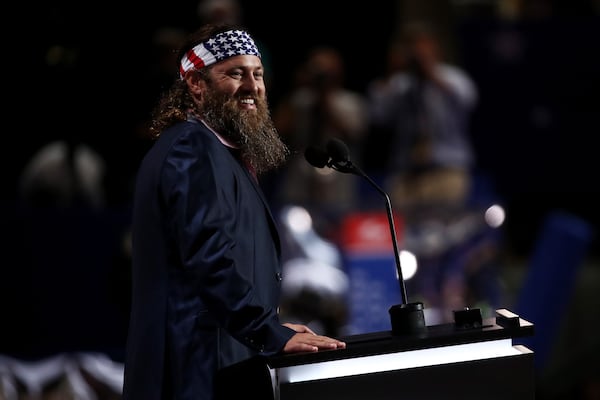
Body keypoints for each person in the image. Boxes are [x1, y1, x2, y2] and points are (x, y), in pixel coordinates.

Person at [121, 23, 346, 400]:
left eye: (257, 74)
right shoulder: (191, 150)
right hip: (190, 370)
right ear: (196, 84)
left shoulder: (219, 151)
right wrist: (266, 331)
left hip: (217, 360)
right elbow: (209, 260)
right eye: (235, 73)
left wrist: (267, 327)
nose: (252, 86)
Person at [367, 21, 478, 215]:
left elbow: (467, 103)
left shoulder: (454, 78)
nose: (417, 51)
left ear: (434, 46)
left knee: (446, 232)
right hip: (406, 174)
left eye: (422, 45)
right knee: (402, 232)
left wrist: (429, 74)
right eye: (411, 46)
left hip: (446, 171)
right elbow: (379, 116)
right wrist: (392, 71)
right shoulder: (400, 83)